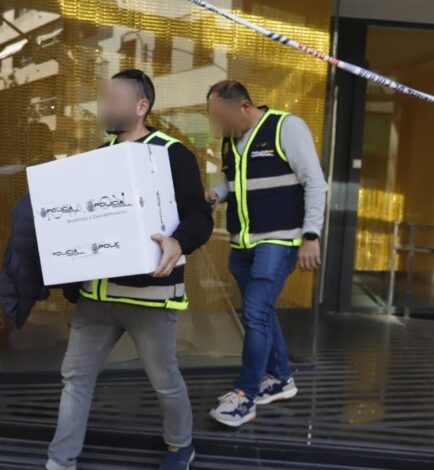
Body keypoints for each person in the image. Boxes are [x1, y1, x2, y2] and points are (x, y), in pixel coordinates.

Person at [46, 69, 213, 470]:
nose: (107, 106)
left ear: (141, 107)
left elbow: (199, 216)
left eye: (115, 99)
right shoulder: (98, 155)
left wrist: (178, 241)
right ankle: (59, 462)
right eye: (105, 98)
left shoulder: (173, 152)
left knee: (163, 380)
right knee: (75, 379)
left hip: (150, 298)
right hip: (96, 297)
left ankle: (180, 445)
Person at [204, 80, 327, 427]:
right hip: (242, 242)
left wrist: (311, 236)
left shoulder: (285, 127)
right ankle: (281, 378)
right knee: (260, 311)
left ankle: (245, 395)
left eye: (221, 116)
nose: (218, 125)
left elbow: (315, 183)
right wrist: (215, 194)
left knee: (256, 312)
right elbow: (234, 182)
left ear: (244, 106)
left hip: (279, 239)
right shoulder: (231, 140)